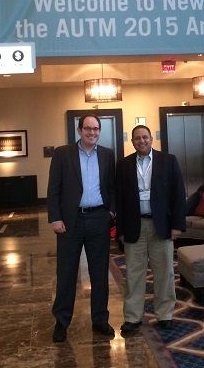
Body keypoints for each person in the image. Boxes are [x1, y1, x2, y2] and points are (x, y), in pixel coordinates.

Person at [47, 114, 116, 343]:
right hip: (70, 221)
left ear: (99, 131)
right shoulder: (62, 154)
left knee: (100, 273)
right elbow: (53, 188)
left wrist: (111, 212)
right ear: (79, 130)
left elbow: (112, 186)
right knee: (66, 273)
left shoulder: (107, 154)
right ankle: (61, 322)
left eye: (96, 129)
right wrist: (55, 218)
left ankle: (100, 320)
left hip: (98, 219)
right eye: (88, 128)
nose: (92, 133)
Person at [115, 125, 186, 335]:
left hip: (161, 225)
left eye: (145, 137)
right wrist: (120, 230)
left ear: (151, 138)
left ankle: (165, 314)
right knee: (133, 274)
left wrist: (177, 225)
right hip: (134, 225)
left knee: (164, 272)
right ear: (132, 142)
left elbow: (178, 194)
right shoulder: (124, 164)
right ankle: (132, 317)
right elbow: (120, 199)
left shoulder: (168, 161)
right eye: (137, 138)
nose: (142, 141)